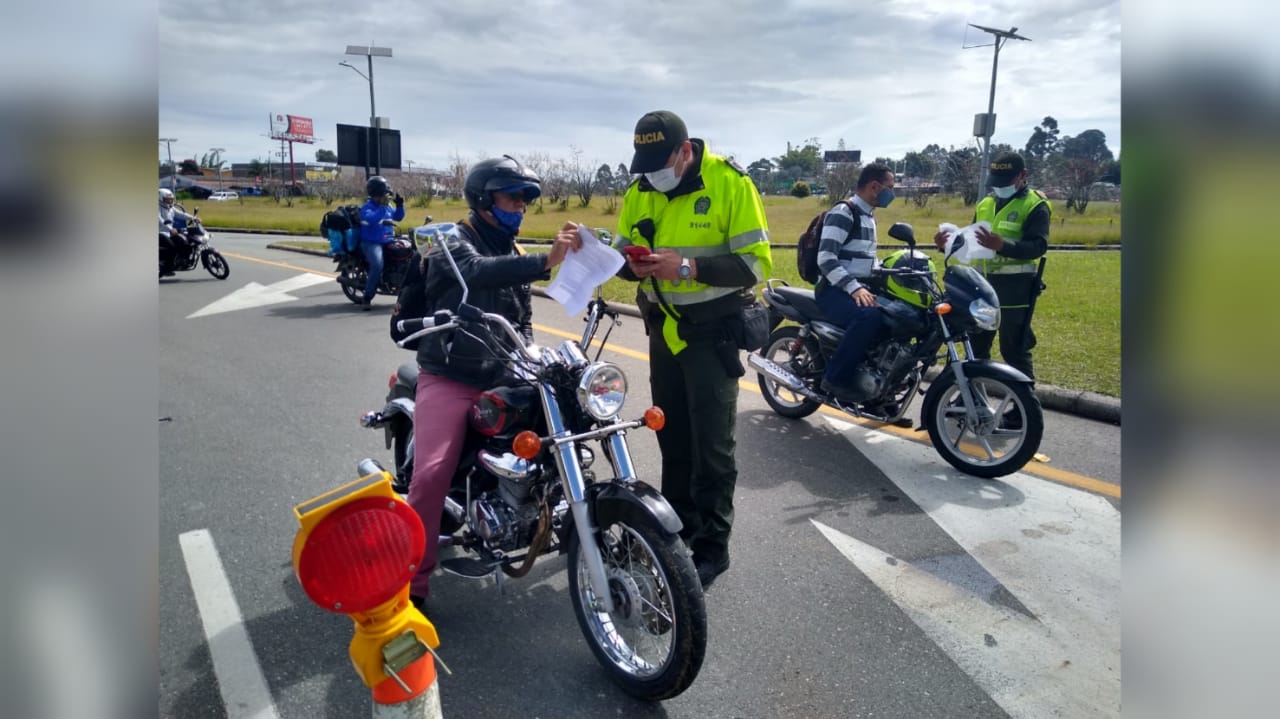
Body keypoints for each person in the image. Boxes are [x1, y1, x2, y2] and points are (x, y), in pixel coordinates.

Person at [406, 155, 581, 608]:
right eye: (513, 197)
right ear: (484, 200)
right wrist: (549, 259)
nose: (521, 206)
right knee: (430, 476)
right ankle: (413, 583)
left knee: (571, 423)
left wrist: (533, 356)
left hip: (505, 372)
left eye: (526, 200)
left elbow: (520, 319)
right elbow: (477, 273)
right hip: (451, 375)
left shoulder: (512, 247)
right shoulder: (449, 241)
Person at [613, 110, 772, 590]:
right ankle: (675, 532)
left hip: (710, 335)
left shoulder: (730, 183)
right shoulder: (641, 189)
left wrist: (686, 268)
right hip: (663, 333)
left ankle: (712, 549)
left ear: (685, 152)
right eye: (645, 167)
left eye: (661, 164)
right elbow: (621, 255)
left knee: (713, 450)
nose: (652, 177)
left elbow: (753, 266)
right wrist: (631, 268)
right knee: (672, 439)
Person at [932, 151, 1050, 383]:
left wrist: (1002, 245)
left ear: (1022, 175)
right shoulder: (986, 203)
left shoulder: (1035, 205)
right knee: (975, 347)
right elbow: (974, 243)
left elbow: (1038, 246)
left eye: (1004, 183)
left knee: (1014, 350)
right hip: (981, 287)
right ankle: (973, 401)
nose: (999, 188)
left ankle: (1019, 412)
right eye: (995, 183)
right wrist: (947, 245)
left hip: (1015, 292)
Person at [813, 163, 897, 406]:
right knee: (868, 317)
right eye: (889, 188)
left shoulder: (868, 216)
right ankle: (835, 379)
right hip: (833, 290)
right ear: (874, 186)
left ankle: (880, 390)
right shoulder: (844, 212)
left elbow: (864, 258)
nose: (892, 194)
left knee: (898, 318)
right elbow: (825, 259)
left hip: (858, 286)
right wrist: (855, 288)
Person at [357, 175, 407, 310]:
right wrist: (383, 207)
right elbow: (372, 219)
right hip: (372, 242)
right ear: (376, 193)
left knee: (408, 253)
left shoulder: (387, 206)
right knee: (378, 265)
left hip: (388, 239)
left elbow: (398, 217)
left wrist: (400, 205)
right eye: (383, 194)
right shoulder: (367, 207)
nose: (386, 197)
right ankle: (367, 297)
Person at [159, 188, 198, 275]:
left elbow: (181, 214)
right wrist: (170, 229)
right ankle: (167, 268)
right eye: (167, 199)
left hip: (169, 233)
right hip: (160, 233)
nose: (170, 201)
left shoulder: (170, 208)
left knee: (184, 242)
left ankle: (181, 261)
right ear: (161, 199)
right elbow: (160, 220)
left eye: (171, 199)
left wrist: (193, 218)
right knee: (172, 247)